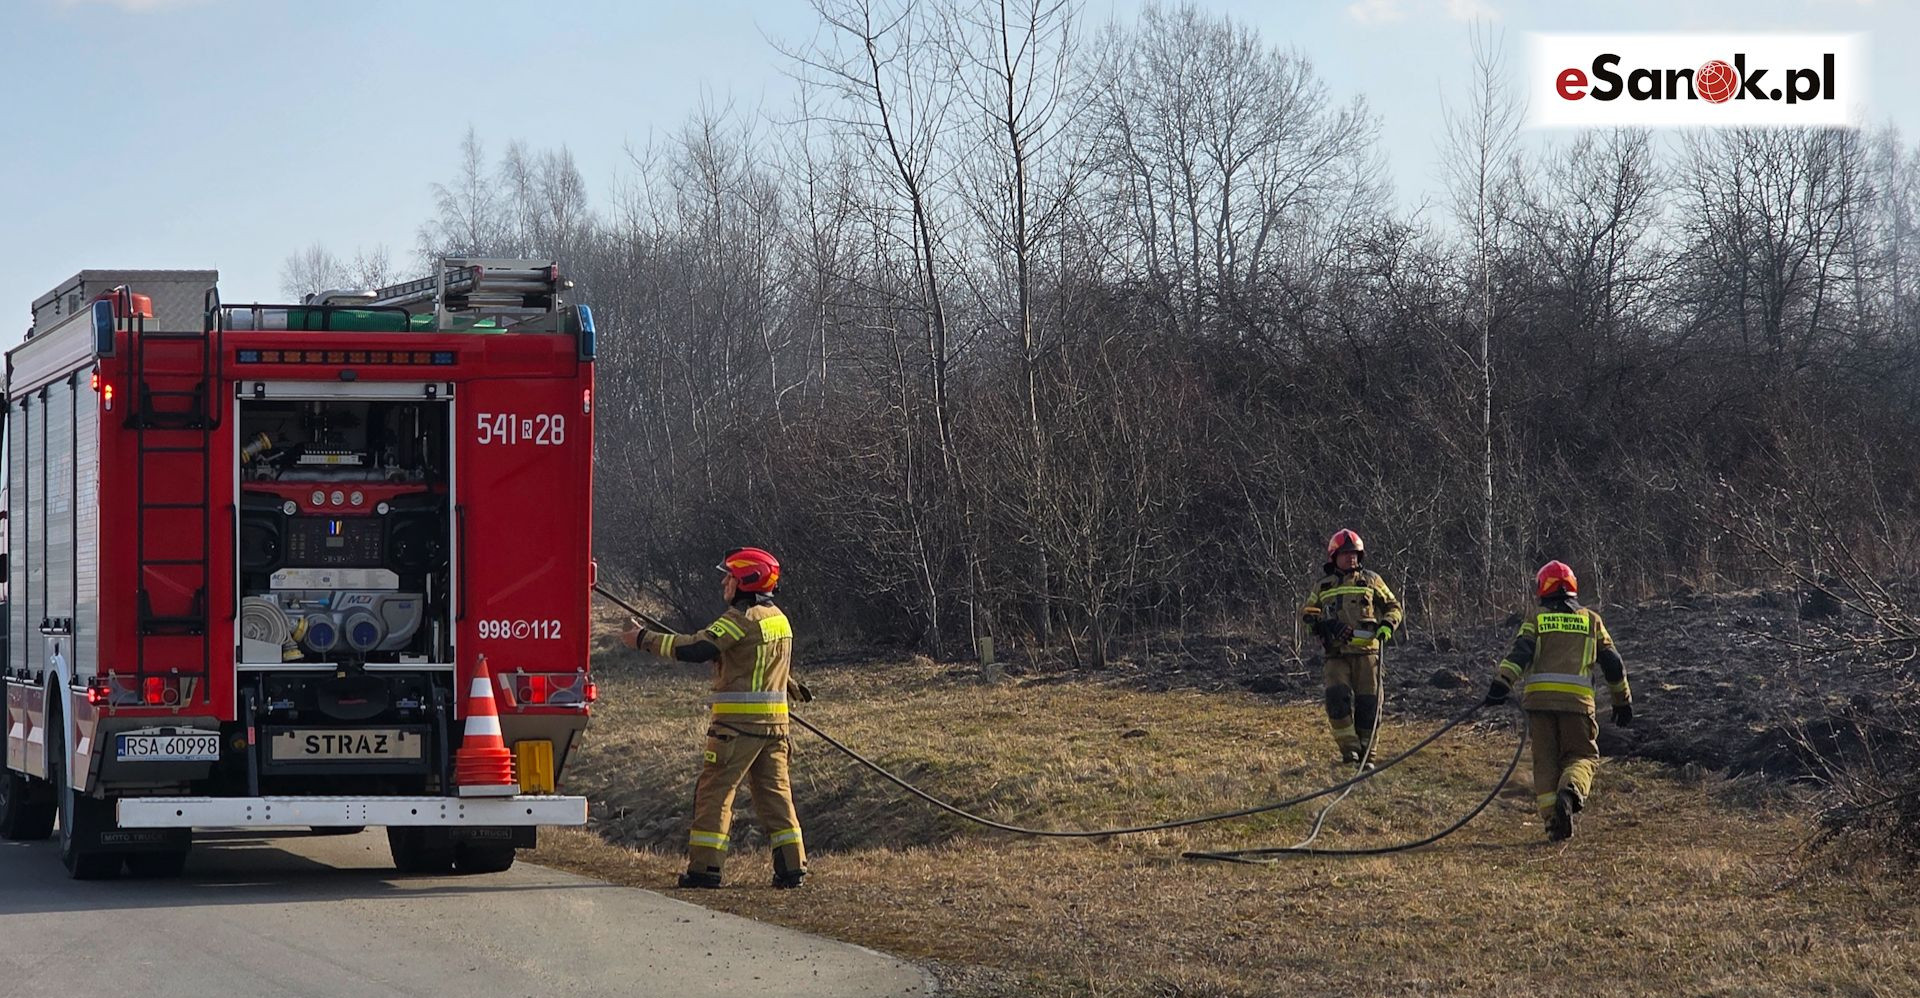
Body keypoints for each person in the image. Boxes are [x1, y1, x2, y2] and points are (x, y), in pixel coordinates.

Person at [622, 547, 810, 888]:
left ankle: (705, 871)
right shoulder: (779, 619)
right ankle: (792, 868)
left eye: (730, 576)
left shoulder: (740, 619)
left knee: (715, 794)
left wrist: (642, 639)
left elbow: (696, 649)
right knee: (776, 796)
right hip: (775, 729)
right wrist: (792, 686)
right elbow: (765, 665)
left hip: (736, 730)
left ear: (746, 582)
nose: (724, 582)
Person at [1484, 560, 1635, 842]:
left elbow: (1520, 654)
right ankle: (1571, 791)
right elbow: (1613, 663)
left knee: (1546, 762)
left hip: (1539, 705)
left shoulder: (1536, 620)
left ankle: (1554, 823)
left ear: (1543, 588)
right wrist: (1621, 700)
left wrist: (1500, 685)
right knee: (1582, 756)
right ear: (1573, 589)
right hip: (1577, 706)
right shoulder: (1591, 620)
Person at [1300, 529, 1404, 764]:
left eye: (1355, 554)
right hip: (1336, 655)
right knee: (1337, 700)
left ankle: (1368, 752)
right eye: (1346, 553)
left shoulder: (1372, 581)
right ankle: (1350, 750)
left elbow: (1393, 606)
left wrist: (1388, 625)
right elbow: (1308, 617)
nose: (1352, 558)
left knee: (1370, 703)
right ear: (1334, 556)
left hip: (1368, 653)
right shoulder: (1323, 586)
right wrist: (1324, 626)